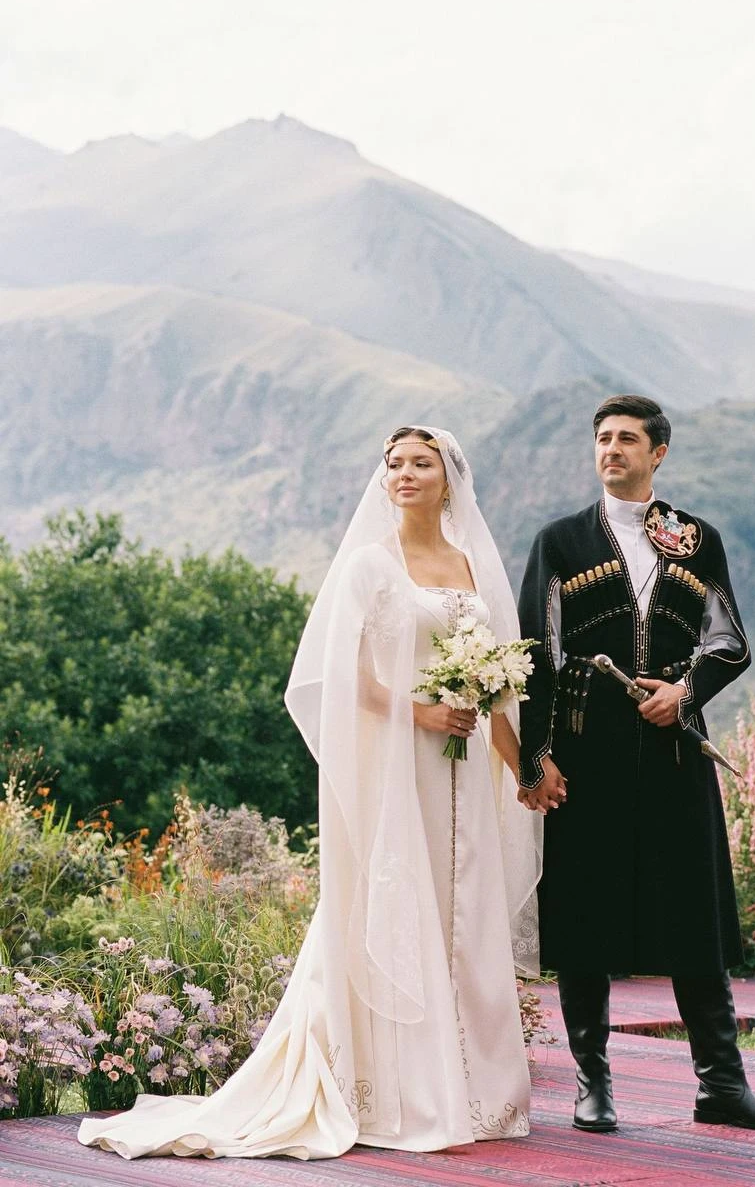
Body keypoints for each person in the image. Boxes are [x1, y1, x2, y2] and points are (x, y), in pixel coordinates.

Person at [79, 425, 541, 1161]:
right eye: (394, 463)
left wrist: (522, 770)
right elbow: (342, 672)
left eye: (421, 463)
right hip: (402, 766)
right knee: (401, 903)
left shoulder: (468, 562)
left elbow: (498, 686)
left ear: (450, 478)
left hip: (465, 772)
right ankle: (405, 1093)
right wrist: (419, 712)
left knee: (467, 906)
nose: (404, 474)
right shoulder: (369, 564)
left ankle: (478, 1092)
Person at [517, 394, 755, 1134]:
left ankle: (722, 1086)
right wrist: (535, 758)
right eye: (603, 438)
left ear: (658, 453)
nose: (611, 449)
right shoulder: (560, 541)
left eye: (627, 439)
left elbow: (729, 641)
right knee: (584, 915)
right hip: (586, 751)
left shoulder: (696, 540)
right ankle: (592, 1086)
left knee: (693, 915)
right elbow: (534, 652)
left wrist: (684, 692)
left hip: (676, 749)